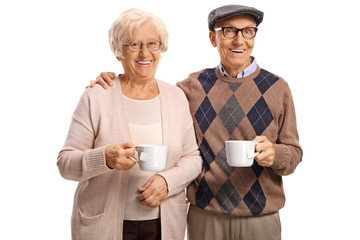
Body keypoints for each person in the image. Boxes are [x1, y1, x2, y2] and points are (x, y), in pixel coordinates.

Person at [91, 4, 302, 240]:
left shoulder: (278, 88)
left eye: (248, 31)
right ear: (213, 38)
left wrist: (276, 154)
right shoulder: (191, 88)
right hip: (205, 216)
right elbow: (147, 89)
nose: (239, 40)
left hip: (261, 218)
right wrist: (113, 80)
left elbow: (294, 154)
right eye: (229, 31)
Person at [57, 8, 202, 240]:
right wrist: (104, 158)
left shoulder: (176, 96)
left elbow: (193, 158)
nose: (144, 53)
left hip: (164, 226)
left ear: (161, 49)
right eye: (133, 44)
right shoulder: (97, 96)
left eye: (152, 43)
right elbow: (65, 164)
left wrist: (167, 181)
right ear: (118, 52)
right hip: (103, 226)